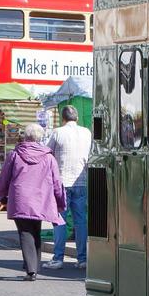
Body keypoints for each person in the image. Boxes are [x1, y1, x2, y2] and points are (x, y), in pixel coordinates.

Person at [0, 124, 65, 281]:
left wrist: (1, 195)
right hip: (41, 199)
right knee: (35, 230)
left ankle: (31, 269)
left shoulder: (15, 155)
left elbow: (4, 177)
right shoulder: (48, 157)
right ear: (40, 137)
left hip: (20, 198)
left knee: (25, 232)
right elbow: (56, 182)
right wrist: (60, 202)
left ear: (24, 136)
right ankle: (33, 266)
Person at [47, 106, 92, 270]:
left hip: (61, 182)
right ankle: (82, 259)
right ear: (77, 118)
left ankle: (58, 258)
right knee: (81, 221)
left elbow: (47, 153)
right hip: (81, 181)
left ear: (62, 118)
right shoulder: (87, 132)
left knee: (59, 220)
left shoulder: (58, 132)